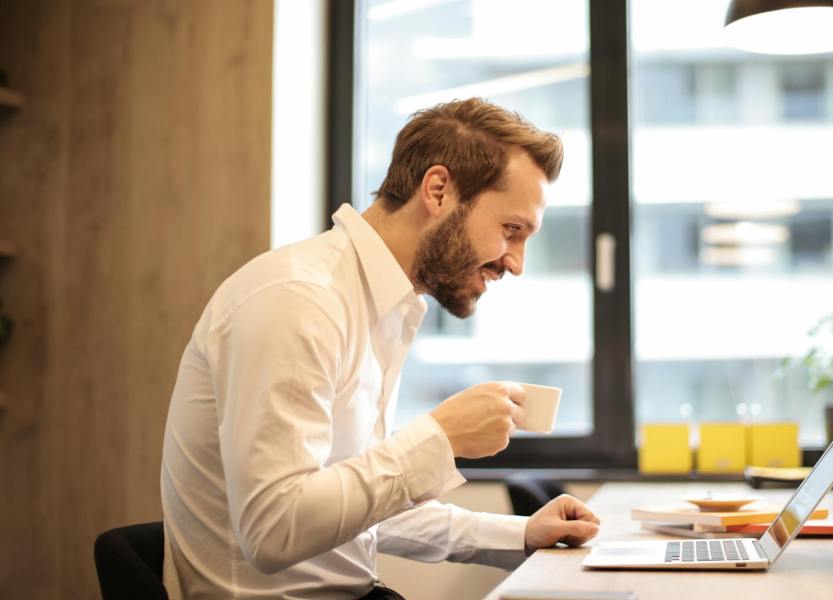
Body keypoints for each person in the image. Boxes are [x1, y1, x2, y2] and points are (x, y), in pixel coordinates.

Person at [160, 98, 601, 599]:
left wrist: (517, 534)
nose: (516, 263)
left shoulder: (383, 306)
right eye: (511, 230)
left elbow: (352, 511)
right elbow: (275, 529)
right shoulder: (298, 301)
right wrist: (439, 438)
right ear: (437, 190)